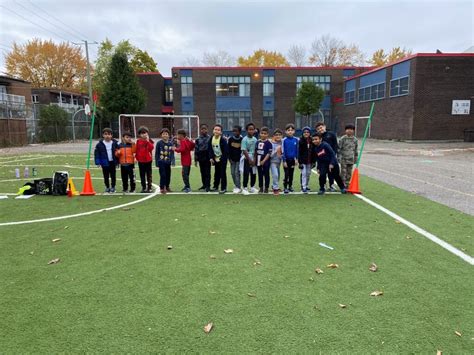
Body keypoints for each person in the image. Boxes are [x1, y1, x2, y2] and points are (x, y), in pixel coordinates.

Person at [315, 122, 338, 191]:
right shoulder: (318, 137)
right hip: (322, 158)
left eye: (321, 127)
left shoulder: (331, 134)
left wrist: (334, 155)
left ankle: (331, 185)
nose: (320, 129)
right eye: (318, 129)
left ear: (324, 127)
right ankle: (323, 185)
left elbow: (335, 145)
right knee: (323, 172)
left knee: (331, 172)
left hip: (331, 157)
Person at [95, 127, 119, 193]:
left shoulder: (115, 143)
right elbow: (97, 154)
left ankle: (113, 187)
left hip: (112, 162)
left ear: (111, 135)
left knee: (113, 175)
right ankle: (107, 187)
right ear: (103, 135)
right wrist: (98, 162)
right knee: (106, 175)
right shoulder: (99, 144)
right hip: (104, 162)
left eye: (109, 134)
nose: (107, 136)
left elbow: (119, 152)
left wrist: (117, 161)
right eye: (105, 134)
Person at [208, 124, 228, 194]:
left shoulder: (223, 139)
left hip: (222, 159)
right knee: (216, 173)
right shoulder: (211, 138)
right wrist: (211, 157)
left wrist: (222, 158)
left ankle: (223, 188)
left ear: (221, 132)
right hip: (215, 159)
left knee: (223, 173)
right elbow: (210, 149)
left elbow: (225, 151)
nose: (216, 131)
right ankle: (215, 186)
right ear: (213, 130)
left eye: (218, 130)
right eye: (215, 129)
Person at [174, 129, 195, 193]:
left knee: (184, 174)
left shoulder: (183, 141)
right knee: (186, 174)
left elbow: (182, 149)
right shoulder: (186, 140)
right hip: (188, 160)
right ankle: (186, 186)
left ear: (181, 135)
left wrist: (175, 149)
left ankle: (188, 187)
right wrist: (190, 141)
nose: (177, 136)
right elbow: (192, 146)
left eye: (178, 135)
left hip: (185, 161)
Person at [155, 128, 175, 194]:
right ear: (161, 135)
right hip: (161, 162)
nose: (165, 135)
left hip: (168, 162)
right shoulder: (159, 143)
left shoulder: (170, 144)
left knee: (168, 175)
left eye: (166, 134)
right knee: (163, 175)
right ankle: (162, 188)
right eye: (163, 134)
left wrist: (173, 161)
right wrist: (156, 162)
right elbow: (157, 153)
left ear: (168, 135)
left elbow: (172, 153)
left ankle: (167, 186)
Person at [241, 122, 258, 195]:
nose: (251, 131)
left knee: (253, 173)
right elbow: (244, 150)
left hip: (253, 158)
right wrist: (249, 159)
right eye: (249, 129)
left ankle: (252, 187)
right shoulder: (244, 139)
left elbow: (256, 150)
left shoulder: (255, 139)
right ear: (246, 130)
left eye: (252, 129)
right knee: (246, 173)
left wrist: (254, 159)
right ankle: (244, 188)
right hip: (246, 158)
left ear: (254, 130)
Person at [135, 126, 154, 193]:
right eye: (142, 133)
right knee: (142, 175)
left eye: (145, 133)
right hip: (141, 161)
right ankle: (143, 187)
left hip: (148, 160)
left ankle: (149, 187)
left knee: (149, 174)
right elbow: (137, 150)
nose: (144, 134)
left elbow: (151, 148)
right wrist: (136, 158)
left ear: (147, 133)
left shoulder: (150, 141)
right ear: (139, 134)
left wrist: (148, 141)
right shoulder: (138, 141)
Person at [282, 123, 299, 194]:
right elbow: (283, 151)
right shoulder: (284, 140)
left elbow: (297, 150)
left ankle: (290, 186)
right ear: (286, 131)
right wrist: (284, 161)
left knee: (291, 174)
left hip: (293, 160)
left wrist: (296, 159)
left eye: (291, 130)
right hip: (286, 160)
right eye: (288, 130)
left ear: (294, 131)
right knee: (286, 174)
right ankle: (285, 187)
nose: (290, 131)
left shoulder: (296, 140)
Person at [194, 124, 211, 192]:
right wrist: (196, 159)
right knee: (202, 172)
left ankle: (208, 186)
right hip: (201, 157)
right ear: (200, 130)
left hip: (207, 156)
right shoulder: (198, 139)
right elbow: (196, 149)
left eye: (205, 129)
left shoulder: (210, 138)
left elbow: (211, 149)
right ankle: (204, 185)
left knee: (207, 172)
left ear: (207, 130)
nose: (203, 130)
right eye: (202, 129)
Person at [256, 126, 273, 193]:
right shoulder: (257, 142)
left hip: (266, 162)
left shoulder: (269, 143)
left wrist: (263, 161)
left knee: (266, 174)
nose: (263, 135)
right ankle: (261, 187)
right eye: (262, 133)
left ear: (267, 134)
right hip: (258, 161)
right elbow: (256, 151)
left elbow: (269, 153)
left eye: (265, 133)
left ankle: (266, 188)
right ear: (260, 134)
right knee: (260, 174)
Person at [228, 125, 243, 193]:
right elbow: (228, 149)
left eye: (236, 131)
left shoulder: (242, 139)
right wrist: (229, 158)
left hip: (239, 159)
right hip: (232, 159)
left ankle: (238, 186)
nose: (234, 132)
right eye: (233, 131)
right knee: (232, 173)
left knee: (237, 173)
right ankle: (236, 185)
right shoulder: (230, 139)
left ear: (239, 132)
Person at [298, 126, 313, 194]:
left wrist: (314, 161)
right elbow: (299, 152)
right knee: (303, 173)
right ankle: (303, 187)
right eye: (304, 132)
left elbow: (314, 151)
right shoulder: (300, 141)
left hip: (309, 160)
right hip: (303, 161)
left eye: (307, 132)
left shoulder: (312, 140)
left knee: (308, 173)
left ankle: (306, 185)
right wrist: (300, 162)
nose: (306, 133)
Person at [270, 128, 283, 195]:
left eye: (279, 135)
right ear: (273, 136)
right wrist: (276, 150)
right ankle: (275, 189)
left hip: (279, 162)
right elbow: (270, 155)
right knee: (275, 175)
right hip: (272, 162)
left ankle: (274, 186)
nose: (278, 136)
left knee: (278, 176)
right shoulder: (271, 143)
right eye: (276, 135)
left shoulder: (282, 142)